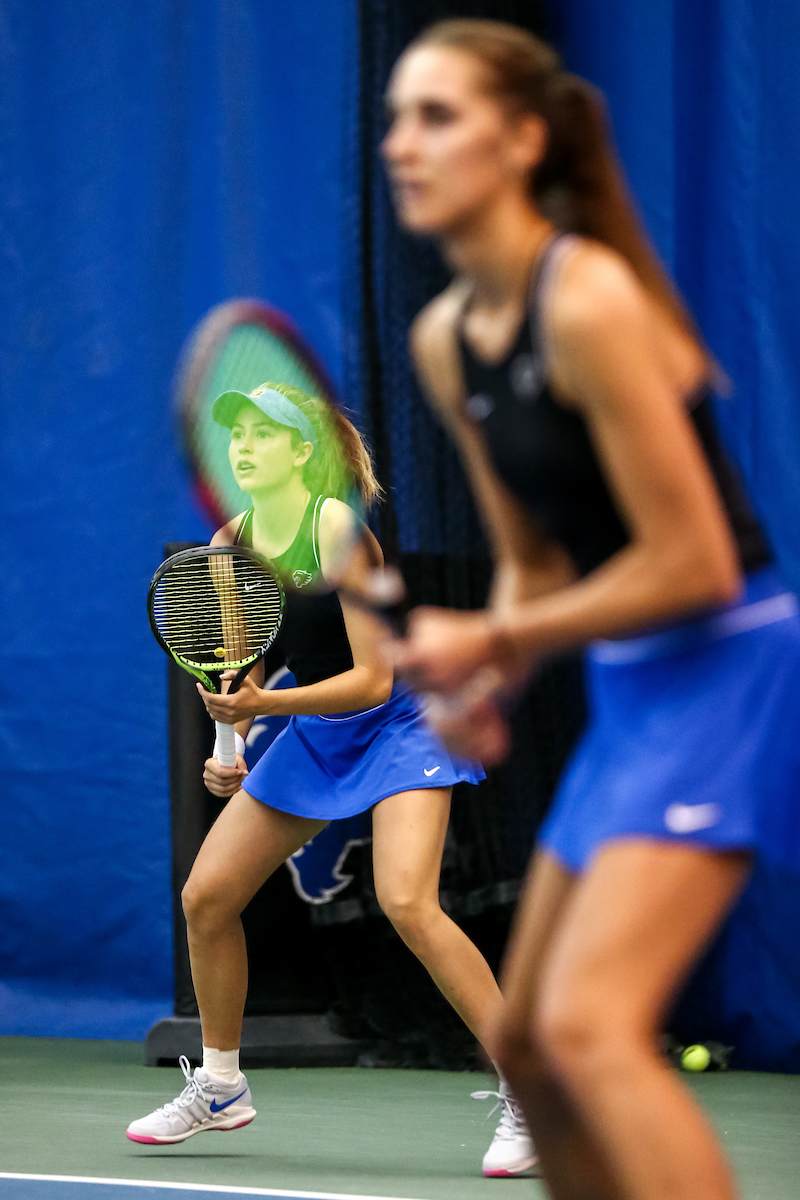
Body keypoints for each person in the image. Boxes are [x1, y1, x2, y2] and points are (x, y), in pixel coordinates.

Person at [382, 18, 800, 1200]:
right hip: (629, 688)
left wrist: (499, 639)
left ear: (521, 140)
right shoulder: (440, 342)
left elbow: (695, 564)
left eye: (437, 116)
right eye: (395, 119)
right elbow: (532, 561)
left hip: (728, 669)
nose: (402, 146)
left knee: (588, 1034)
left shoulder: (589, 298)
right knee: (525, 1044)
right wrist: (482, 684)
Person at [126, 381, 534, 1178]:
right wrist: (229, 738)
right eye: (234, 435)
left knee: (408, 902)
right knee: (207, 897)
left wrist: (265, 705)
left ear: (303, 453)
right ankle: (220, 1086)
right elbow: (242, 669)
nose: (242, 447)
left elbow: (373, 680)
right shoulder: (229, 541)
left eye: (262, 434)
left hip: (400, 721)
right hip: (316, 730)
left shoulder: (337, 527)